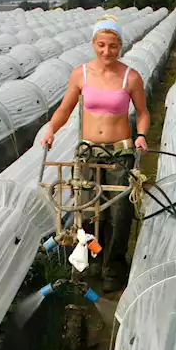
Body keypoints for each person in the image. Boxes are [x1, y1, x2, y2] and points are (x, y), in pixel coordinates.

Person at [43, 16, 150, 292]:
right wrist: (51, 130)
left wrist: (141, 136)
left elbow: (143, 113)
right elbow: (65, 109)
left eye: (112, 46)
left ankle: (114, 268)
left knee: (119, 212)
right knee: (88, 213)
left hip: (119, 153)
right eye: (101, 45)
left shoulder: (131, 77)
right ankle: (94, 258)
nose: (106, 51)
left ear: (120, 46)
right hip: (89, 153)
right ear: (93, 44)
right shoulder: (81, 74)